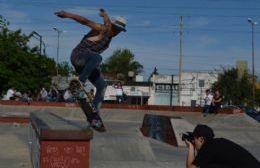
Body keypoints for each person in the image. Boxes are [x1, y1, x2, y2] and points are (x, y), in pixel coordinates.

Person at [54, 8, 126, 130]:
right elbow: (85, 21)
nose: (117, 33)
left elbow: (108, 21)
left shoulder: (109, 31)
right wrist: (67, 14)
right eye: (117, 30)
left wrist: (104, 15)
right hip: (78, 57)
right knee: (97, 58)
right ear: (114, 28)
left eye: (119, 31)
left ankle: (94, 117)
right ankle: (80, 83)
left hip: (87, 64)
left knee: (102, 85)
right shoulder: (102, 29)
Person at [185, 124, 260, 168]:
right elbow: (200, 162)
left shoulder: (208, 147)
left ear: (201, 139)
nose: (194, 142)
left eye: (194, 139)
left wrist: (191, 147)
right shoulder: (216, 144)